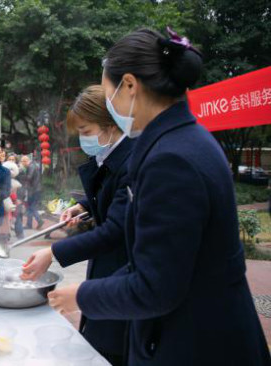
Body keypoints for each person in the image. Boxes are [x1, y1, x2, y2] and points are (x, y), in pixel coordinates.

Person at [48, 28, 271, 365]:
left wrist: (82, 295)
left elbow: (155, 286)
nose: (109, 103)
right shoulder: (183, 139)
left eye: (107, 91)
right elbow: (159, 259)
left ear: (129, 86)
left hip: (197, 344)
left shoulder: (171, 160)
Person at [22, 85, 133, 365]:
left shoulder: (132, 160)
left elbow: (115, 229)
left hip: (122, 272)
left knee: (111, 347)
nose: (84, 139)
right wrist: (85, 205)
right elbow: (110, 195)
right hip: (107, 269)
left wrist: (54, 252)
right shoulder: (108, 155)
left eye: (86, 131)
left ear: (110, 125)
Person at [20, 155, 45, 229]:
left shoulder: (31, 166)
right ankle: (29, 224)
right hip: (35, 190)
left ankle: (39, 220)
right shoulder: (33, 165)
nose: (22, 164)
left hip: (34, 190)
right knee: (30, 207)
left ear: (25, 161)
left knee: (31, 207)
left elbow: (29, 177)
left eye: (22, 162)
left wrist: (20, 175)